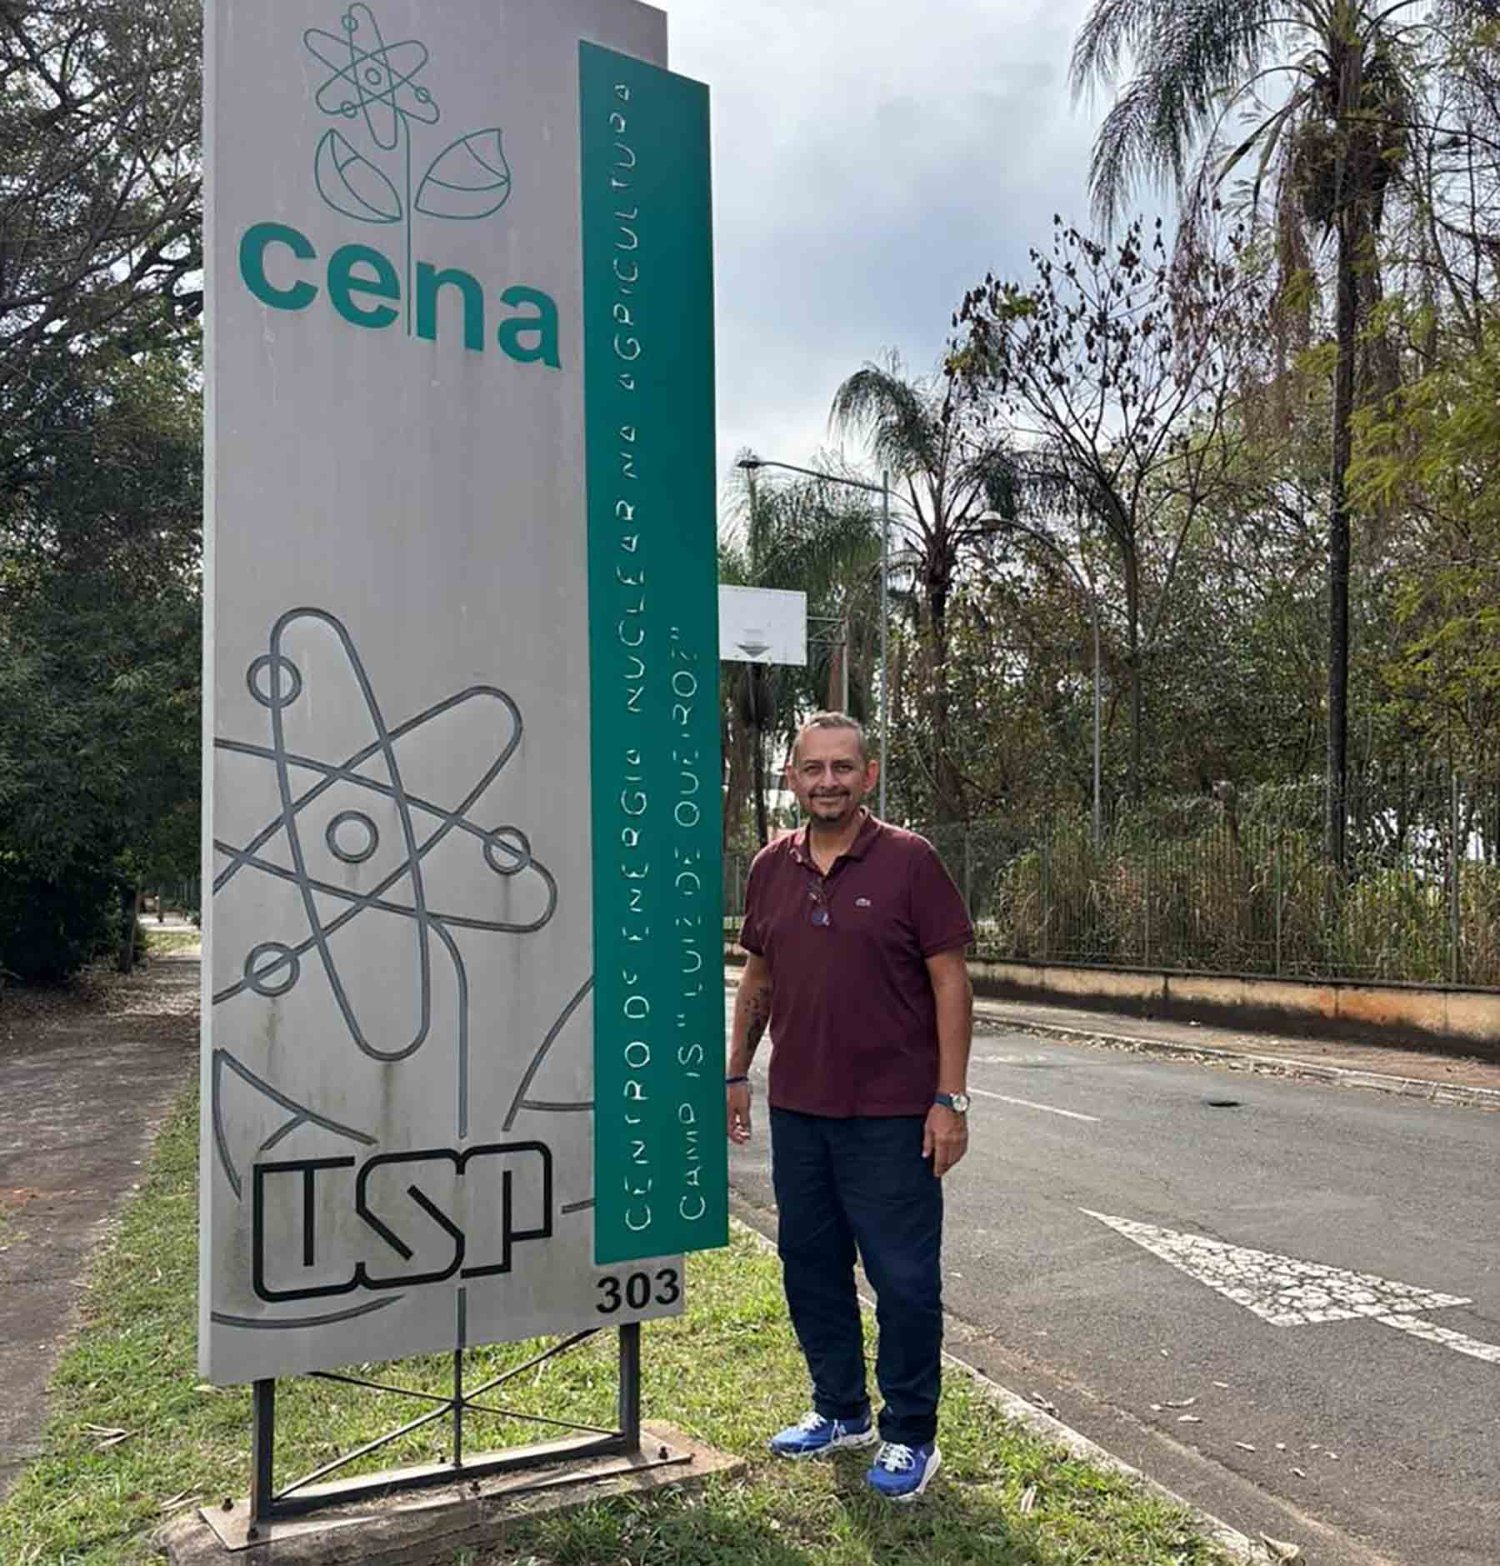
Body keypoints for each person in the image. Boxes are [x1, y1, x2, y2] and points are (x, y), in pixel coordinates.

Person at [726, 711, 974, 1502]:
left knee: (903, 1281)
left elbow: (950, 983)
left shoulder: (910, 862)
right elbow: (758, 982)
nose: (826, 781)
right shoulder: (770, 867)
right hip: (801, 1112)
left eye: (842, 767)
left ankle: (910, 1435)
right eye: (812, 768)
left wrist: (951, 1099)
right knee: (810, 1269)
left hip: (894, 1117)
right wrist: (736, 1073)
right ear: (792, 778)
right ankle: (840, 1410)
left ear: (868, 777)